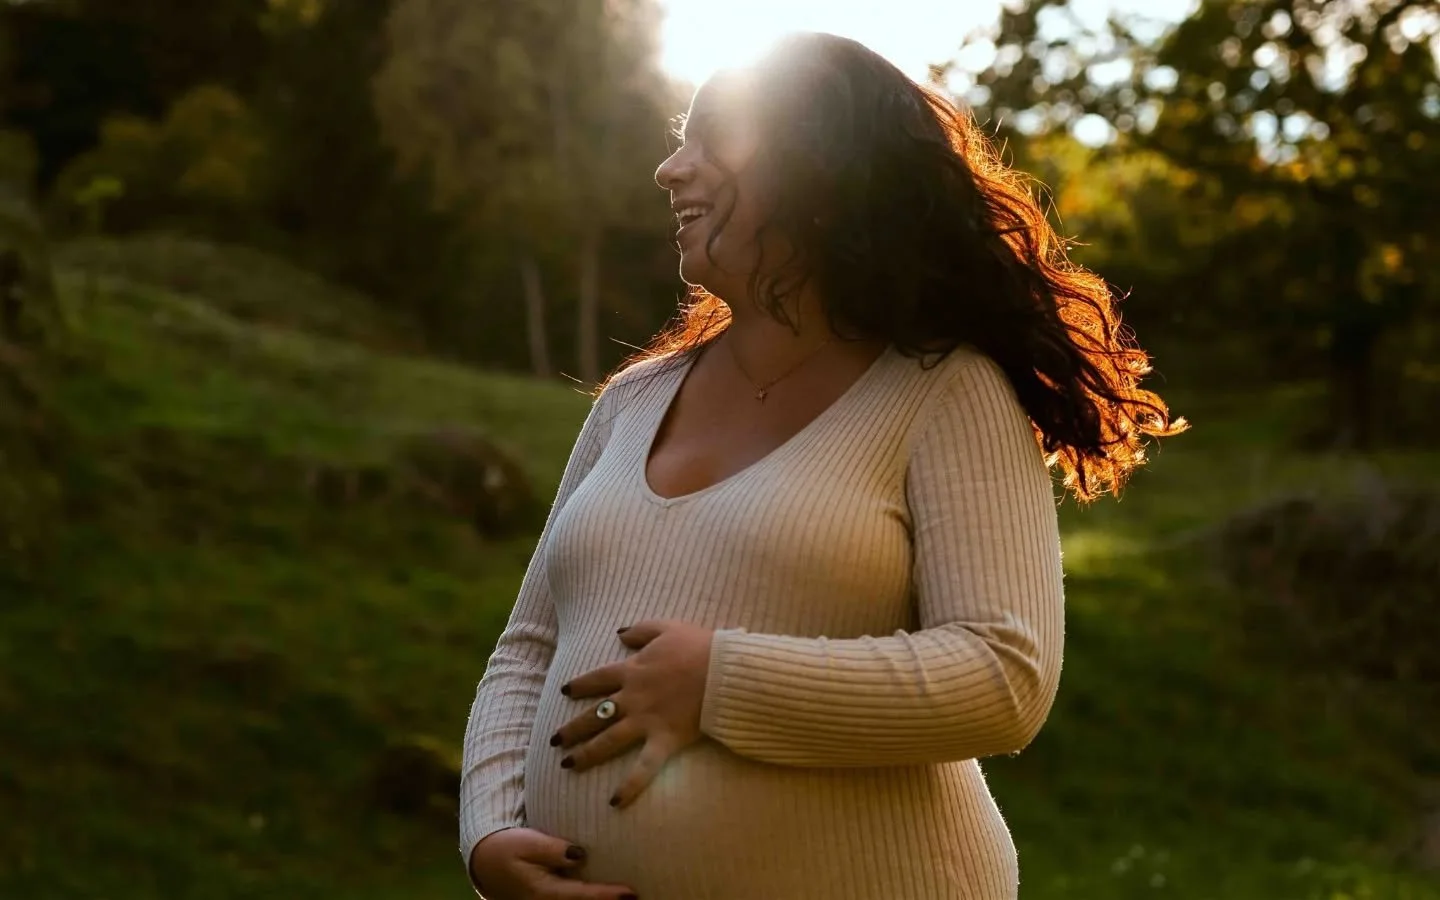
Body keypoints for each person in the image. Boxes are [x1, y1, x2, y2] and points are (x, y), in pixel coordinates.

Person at [460, 31, 1184, 900]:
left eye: (711, 140)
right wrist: (492, 828)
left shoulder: (943, 390)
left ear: (819, 170)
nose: (670, 171)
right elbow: (528, 649)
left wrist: (720, 681)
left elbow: (1005, 673)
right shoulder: (633, 400)